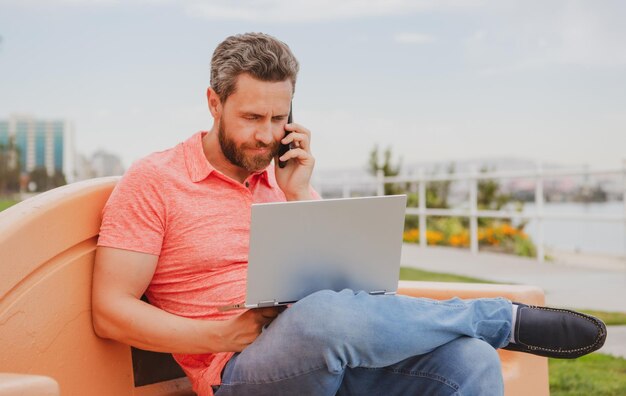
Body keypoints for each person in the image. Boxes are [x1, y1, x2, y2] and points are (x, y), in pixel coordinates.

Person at [92, 33, 607, 396]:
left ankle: (486, 330)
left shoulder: (281, 176)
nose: (268, 135)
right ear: (213, 102)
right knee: (323, 315)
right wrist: (217, 335)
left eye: (278, 118)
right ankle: (497, 318)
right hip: (239, 372)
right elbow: (110, 310)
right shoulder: (155, 181)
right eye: (251, 118)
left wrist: (300, 191)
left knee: (467, 360)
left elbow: (348, 286)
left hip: (326, 350)